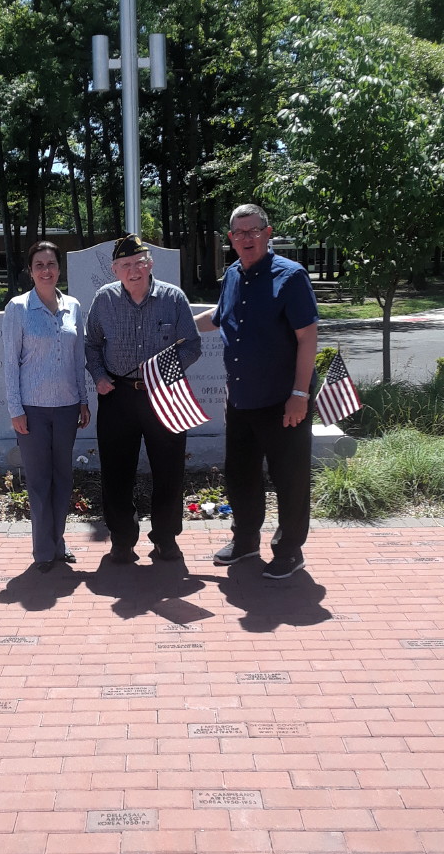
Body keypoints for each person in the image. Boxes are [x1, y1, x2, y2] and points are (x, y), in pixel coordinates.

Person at [195, 203, 318, 579]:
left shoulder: (291, 276)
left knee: (290, 479)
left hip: (283, 401)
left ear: (268, 232)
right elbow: (219, 317)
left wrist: (300, 395)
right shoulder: (233, 274)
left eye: (254, 230)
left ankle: (289, 550)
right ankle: (246, 540)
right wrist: (172, 324)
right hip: (242, 400)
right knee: (241, 475)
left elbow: (308, 338)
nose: (247, 238)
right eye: (239, 233)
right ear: (230, 239)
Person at [85, 233, 201, 563]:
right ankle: (122, 539)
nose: (133, 270)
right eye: (124, 265)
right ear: (114, 270)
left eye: (138, 263)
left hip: (164, 394)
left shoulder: (173, 298)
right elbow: (91, 344)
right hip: (118, 396)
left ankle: (165, 538)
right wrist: (99, 376)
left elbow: (191, 345)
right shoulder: (104, 300)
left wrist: (162, 370)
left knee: (169, 470)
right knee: (116, 471)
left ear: (149, 264)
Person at [3, 240, 90, 572]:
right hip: (33, 411)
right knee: (39, 482)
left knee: (63, 479)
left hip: (67, 407)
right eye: (39, 264)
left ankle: (58, 542)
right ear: (30, 270)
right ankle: (43, 552)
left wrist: (83, 400)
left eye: (51, 264)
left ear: (58, 269)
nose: (46, 270)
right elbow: (11, 363)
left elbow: (77, 358)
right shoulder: (18, 308)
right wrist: (15, 410)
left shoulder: (74, 306)